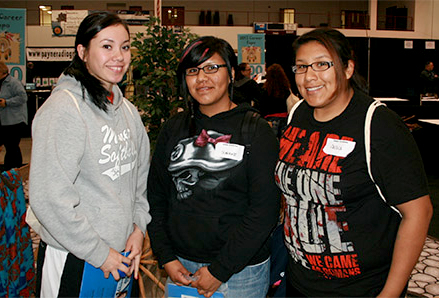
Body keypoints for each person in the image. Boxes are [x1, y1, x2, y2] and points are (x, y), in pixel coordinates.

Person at [276, 28, 433, 297]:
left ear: (348, 68)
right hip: (300, 281)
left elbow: (418, 213)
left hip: (360, 288)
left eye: (322, 64)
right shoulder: (298, 113)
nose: (309, 76)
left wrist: (391, 293)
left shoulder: (378, 126)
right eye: (301, 67)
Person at [28, 12, 151, 297]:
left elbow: (139, 181)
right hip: (76, 256)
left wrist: (138, 228)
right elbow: (49, 198)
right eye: (107, 46)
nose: (118, 56)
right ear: (82, 51)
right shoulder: (63, 110)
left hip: (120, 256)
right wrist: (98, 252)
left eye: (125, 46)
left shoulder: (128, 112)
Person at [147, 36, 280, 298]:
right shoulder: (173, 128)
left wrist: (220, 270)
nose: (202, 78)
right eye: (193, 71)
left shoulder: (255, 130)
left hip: (241, 272)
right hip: (180, 266)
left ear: (230, 74)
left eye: (212, 68)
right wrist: (166, 257)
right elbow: (156, 196)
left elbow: (264, 211)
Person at [0, 61, 28, 171]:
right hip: (4, 121)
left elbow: (23, 98)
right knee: (10, 147)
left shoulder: (14, 83)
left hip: (15, 121)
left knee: (12, 148)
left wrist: (7, 102)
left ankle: (14, 171)